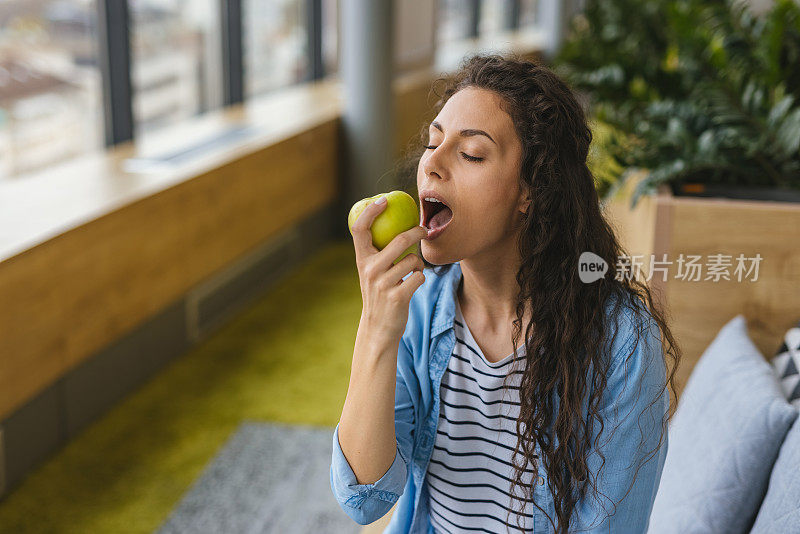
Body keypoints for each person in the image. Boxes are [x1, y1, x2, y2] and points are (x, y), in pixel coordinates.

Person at [331, 53, 681, 534]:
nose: (430, 163)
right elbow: (365, 498)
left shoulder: (621, 342)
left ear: (530, 191)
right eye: (433, 144)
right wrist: (376, 327)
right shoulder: (419, 309)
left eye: (470, 153)